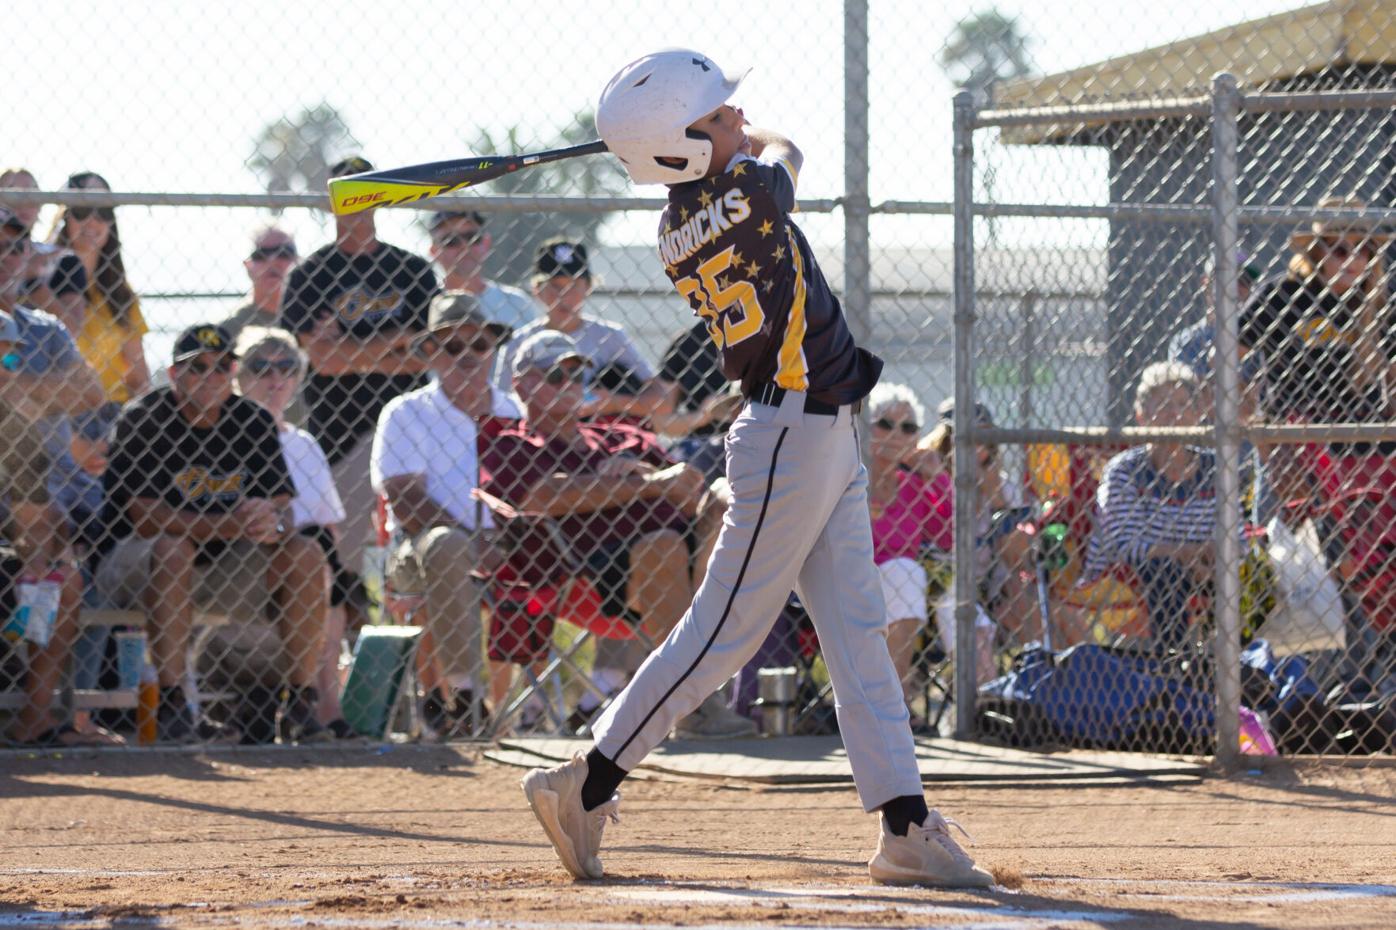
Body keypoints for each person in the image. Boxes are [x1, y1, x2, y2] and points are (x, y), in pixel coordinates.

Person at [520, 50, 992, 888]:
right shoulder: (744, 194)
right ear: (682, 150)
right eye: (719, 113)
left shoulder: (679, 223)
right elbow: (788, 150)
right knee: (723, 633)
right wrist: (721, 140)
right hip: (790, 437)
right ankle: (584, 785)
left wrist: (692, 136)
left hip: (819, 432)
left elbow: (755, 156)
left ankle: (907, 827)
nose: (740, 117)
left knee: (858, 634)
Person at [484, 330, 745, 737]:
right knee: (662, 547)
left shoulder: (619, 434)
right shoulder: (514, 443)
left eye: (576, 375)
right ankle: (695, 702)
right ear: (520, 385)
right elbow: (538, 498)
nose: (569, 384)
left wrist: (650, 476)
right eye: (555, 375)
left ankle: (705, 655)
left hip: (687, 544)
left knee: (727, 496)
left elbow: (685, 486)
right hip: (596, 571)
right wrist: (647, 485)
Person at [94, 324, 331, 744]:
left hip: (224, 566)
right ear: (173, 374)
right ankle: (171, 704)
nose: (211, 376)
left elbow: (283, 506)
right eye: (197, 367)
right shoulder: (144, 418)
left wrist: (270, 522)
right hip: (133, 567)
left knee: (306, 553)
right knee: (172, 549)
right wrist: (233, 524)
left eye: (222, 367)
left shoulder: (251, 419)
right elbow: (146, 519)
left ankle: (298, 701)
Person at [1241, 197, 1396, 691]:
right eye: (1336, 249)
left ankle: (1361, 689)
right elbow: (1233, 367)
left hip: (1362, 462)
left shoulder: (1378, 307)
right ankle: (1285, 689)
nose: (1349, 261)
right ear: (1315, 253)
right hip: (1293, 449)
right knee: (1291, 572)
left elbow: (1387, 382)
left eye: (1361, 251)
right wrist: (1264, 440)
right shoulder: (1283, 295)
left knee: (1363, 577)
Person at [279, 156, 438, 580]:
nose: (357, 200)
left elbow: (428, 353)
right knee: (343, 555)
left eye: (366, 188)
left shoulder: (413, 271)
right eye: (345, 190)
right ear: (331, 200)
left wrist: (346, 349)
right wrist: (395, 342)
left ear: (381, 194)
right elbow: (321, 362)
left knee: (415, 547)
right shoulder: (310, 275)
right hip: (338, 429)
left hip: (409, 427)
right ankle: (348, 633)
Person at [370, 292, 518, 736]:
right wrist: (476, 542)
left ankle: (576, 701)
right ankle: (463, 698)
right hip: (422, 550)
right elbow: (405, 501)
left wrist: (504, 540)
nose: (468, 356)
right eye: (453, 346)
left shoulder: (516, 410)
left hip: (510, 545)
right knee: (449, 547)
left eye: (479, 345)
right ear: (431, 353)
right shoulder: (406, 411)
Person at [1, 308, 118, 748]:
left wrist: (39, 569)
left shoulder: (19, 431)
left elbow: (31, 515)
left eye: (11, 360)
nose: (4, 372)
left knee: (60, 578)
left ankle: (34, 718)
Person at [234, 326, 354, 739]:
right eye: (260, 367)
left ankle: (326, 708)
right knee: (314, 562)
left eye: (286, 367)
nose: (275, 378)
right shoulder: (225, 434)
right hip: (246, 558)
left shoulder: (303, 444)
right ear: (239, 376)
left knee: (326, 568)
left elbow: (328, 524)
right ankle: (311, 705)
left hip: (305, 560)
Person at [1082, 363, 1220, 652]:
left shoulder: (1214, 468)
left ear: (1198, 415)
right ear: (1142, 415)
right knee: (1166, 571)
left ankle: (1244, 668)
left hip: (1202, 569)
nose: (1175, 415)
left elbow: (1236, 539)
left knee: (1238, 570)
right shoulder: (1124, 471)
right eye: (1164, 405)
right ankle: (1172, 667)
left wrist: (1207, 557)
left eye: (1183, 404)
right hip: (1131, 576)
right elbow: (1124, 545)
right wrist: (1185, 555)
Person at [496, 239, 673, 423]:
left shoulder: (609, 335)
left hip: (598, 438)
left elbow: (664, 401)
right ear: (536, 289)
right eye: (555, 286)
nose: (564, 295)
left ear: (588, 287)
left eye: (573, 285)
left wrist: (615, 403)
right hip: (535, 435)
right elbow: (500, 405)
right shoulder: (518, 343)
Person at [923, 399, 1037, 656]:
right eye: (962, 439)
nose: (973, 449)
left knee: (1029, 600)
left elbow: (1019, 560)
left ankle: (1062, 680)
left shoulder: (1001, 486)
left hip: (989, 589)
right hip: (941, 586)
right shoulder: (930, 483)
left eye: (981, 440)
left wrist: (996, 498)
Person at [865, 383, 951, 712]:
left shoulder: (913, 484)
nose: (897, 434)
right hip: (847, 580)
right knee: (906, 574)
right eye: (885, 424)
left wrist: (937, 477)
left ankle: (889, 702)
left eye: (909, 427)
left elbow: (947, 536)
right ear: (864, 427)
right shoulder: (847, 474)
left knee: (906, 573)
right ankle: (890, 704)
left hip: (900, 588)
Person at [48, 171, 151, 417]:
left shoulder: (121, 295)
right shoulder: (40, 284)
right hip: (57, 411)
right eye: (82, 209)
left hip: (113, 413)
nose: (93, 221)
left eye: (103, 212)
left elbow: (138, 377)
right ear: (64, 216)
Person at [0, 168, 88, 336]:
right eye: (13, 194)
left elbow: (73, 330)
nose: (23, 202)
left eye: (32, 194)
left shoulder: (63, 260)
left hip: (45, 352)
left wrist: (32, 281)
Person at [426, 210, 537, 334]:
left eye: (472, 237)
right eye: (451, 240)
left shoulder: (517, 302)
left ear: (486, 242)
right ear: (434, 251)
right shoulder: (424, 304)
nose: (465, 246)